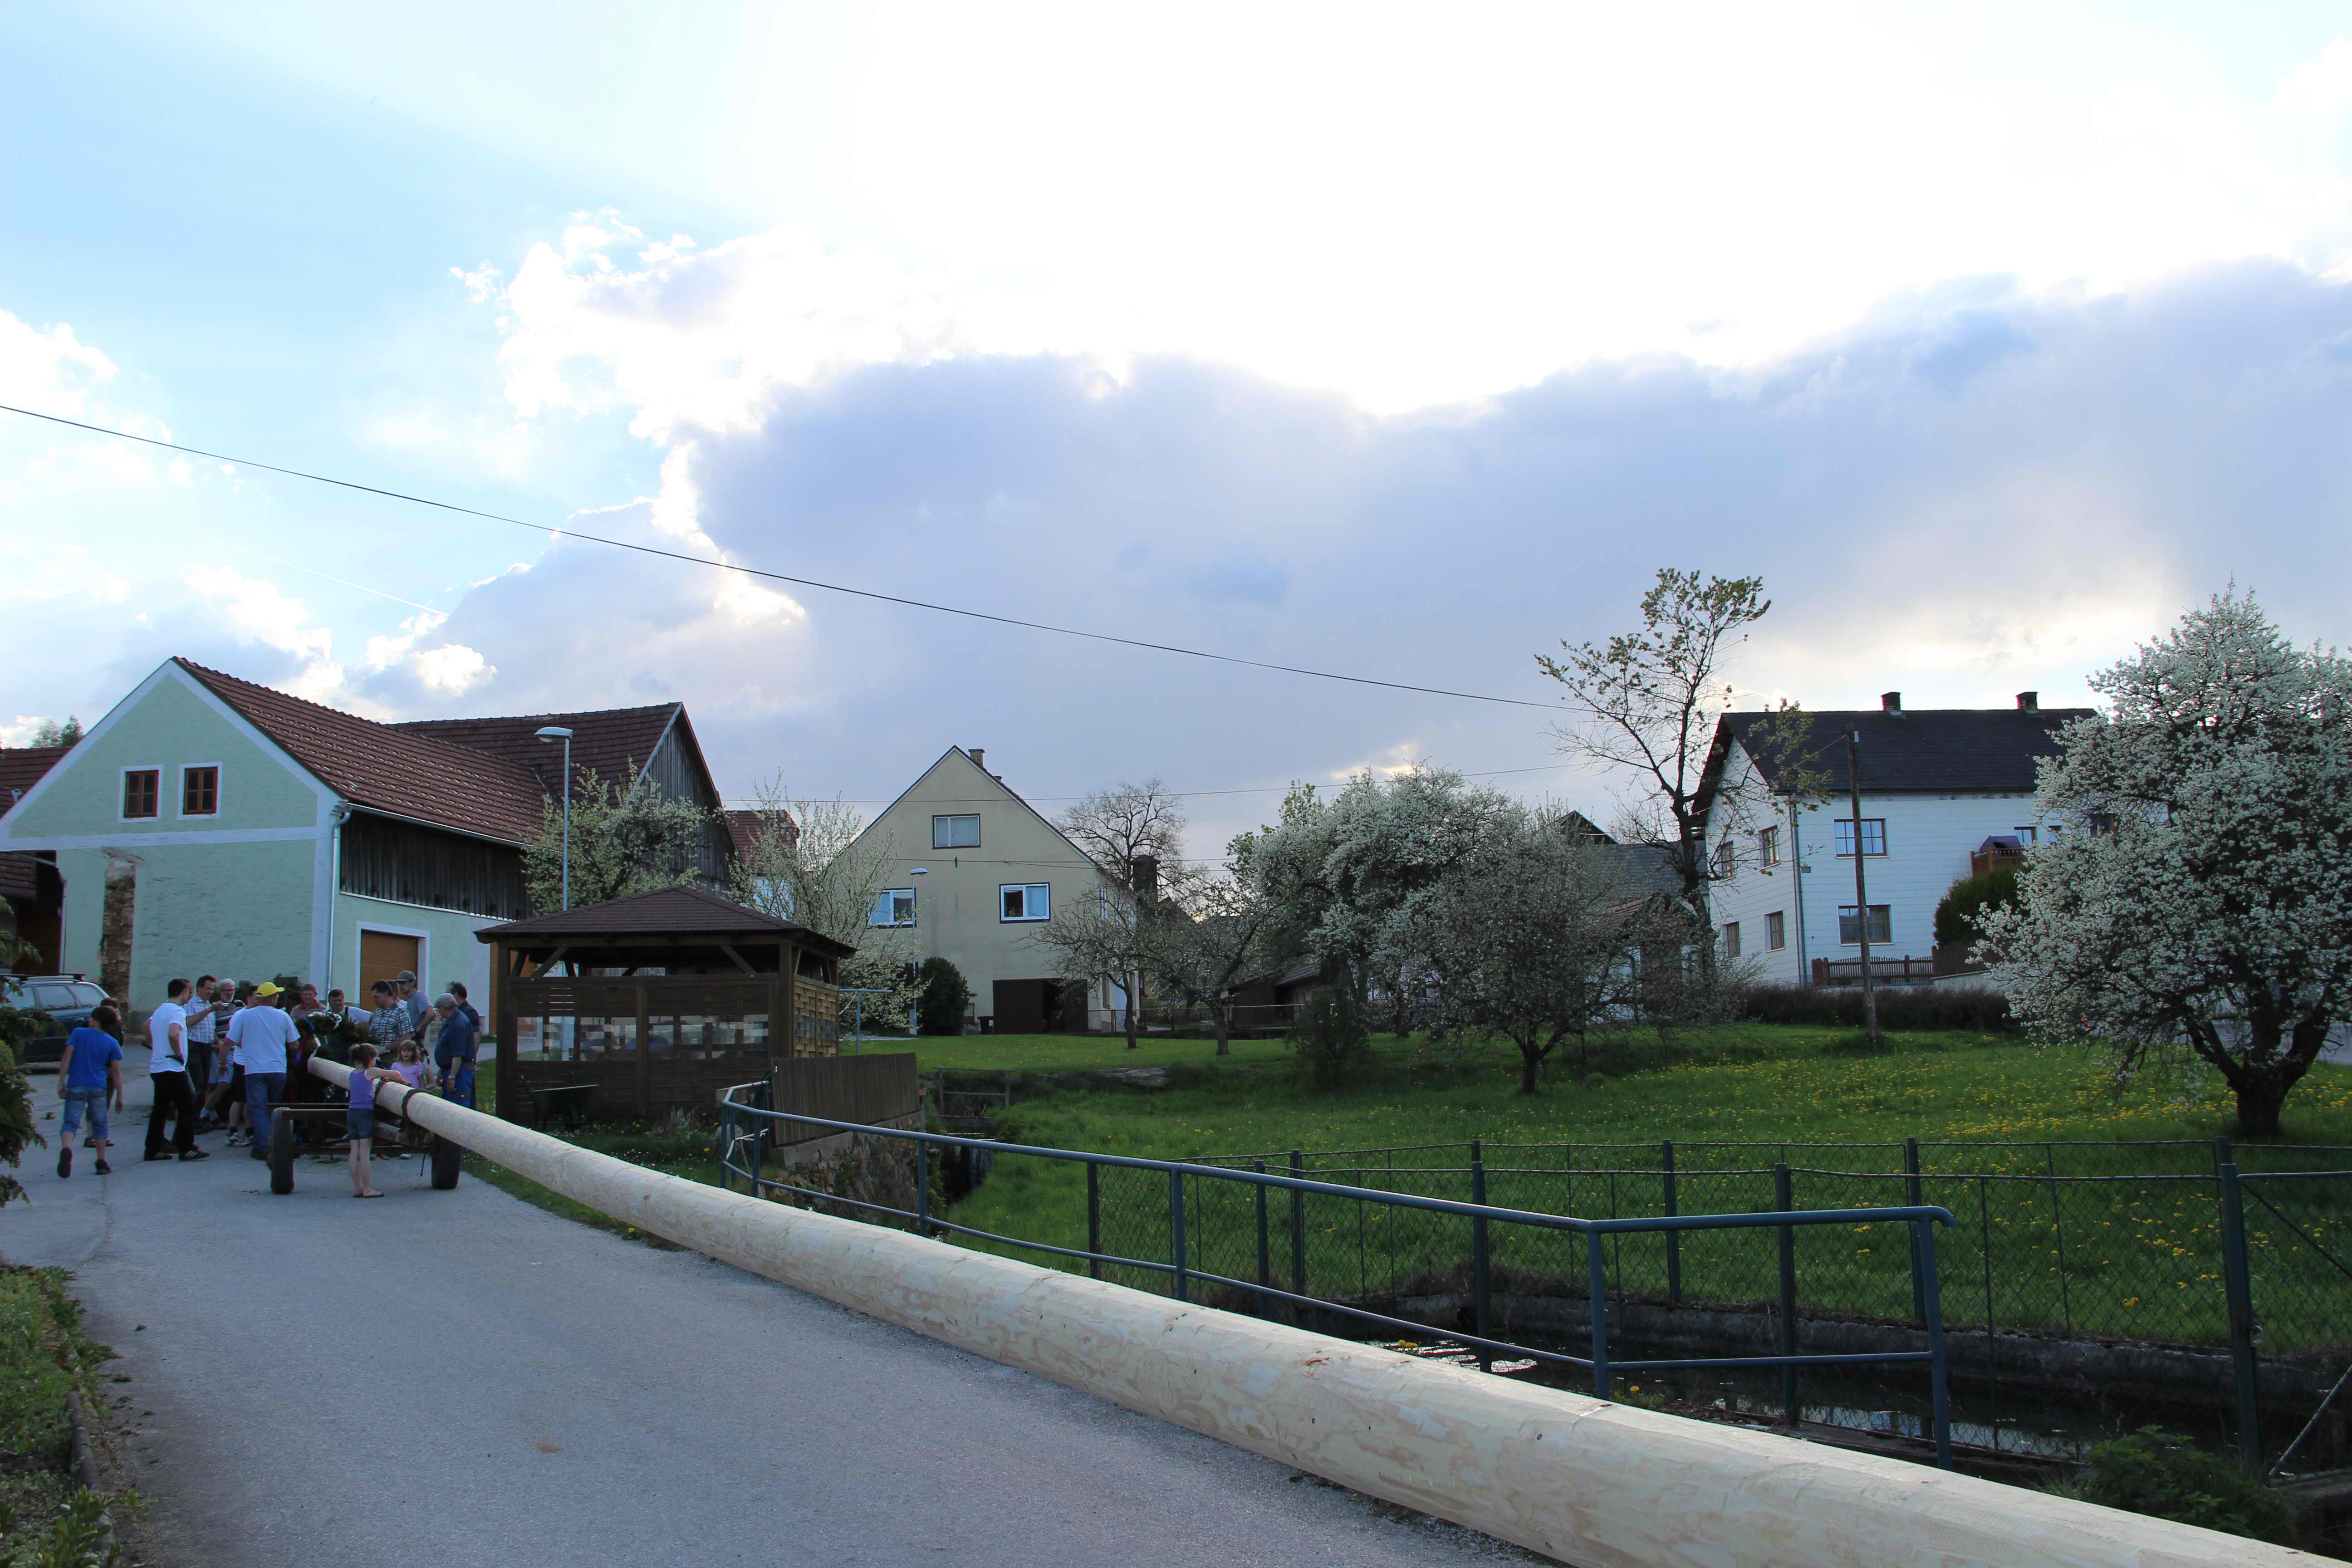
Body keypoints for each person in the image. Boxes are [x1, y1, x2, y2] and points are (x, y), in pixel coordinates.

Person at [227, 981, 299, 1161]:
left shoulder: (246, 1016)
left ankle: (263, 1146)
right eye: (277, 996)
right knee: (272, 1108)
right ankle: (273, 1142)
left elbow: (231, 1040)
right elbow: (294, 1044)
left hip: (254, 1070)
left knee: (258, 1109)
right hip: (277, 1069)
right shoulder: (283, 1017)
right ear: (273, 998)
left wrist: (222, 1062)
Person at [55, 1005, 124, 1177]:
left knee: (70, 1122)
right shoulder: (112, 1042)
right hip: (98, 1087)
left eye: (92, 1018)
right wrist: (120, 1097)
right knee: (100, 1124)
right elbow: (116, 1072)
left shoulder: (78, 1033)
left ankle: (67, 1149)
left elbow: (67, 1057)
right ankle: (101, 1162)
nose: (89, 1021)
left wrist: (61, 1083)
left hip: (77, 1084)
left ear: (97, 1021)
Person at [143, 978, 206, 1162]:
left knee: (161, 1109)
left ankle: (153, 1149)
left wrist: (156, 1045)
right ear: (183, 992)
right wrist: (178, 1053)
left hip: (158, 1067)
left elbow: (146, 1026)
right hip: (173, 1067)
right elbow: (173, 1033)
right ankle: (186, 1147)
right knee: (187, 1106)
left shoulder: (161, 1009)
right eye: (189, 992)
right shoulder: (178, 1011)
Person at [344, 1042, 404, 1199]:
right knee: (365, 1154)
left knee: (354, 1152)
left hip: (352, 1113)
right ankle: (368, 1189)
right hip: (365, 1113)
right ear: (369, 1058)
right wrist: (404, 1082)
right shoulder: (370, 1072)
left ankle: (358, 1188)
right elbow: (395, 1073)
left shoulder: (353, 1073)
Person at [432, 993, 478, 1108]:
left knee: (459, 1104)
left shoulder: (459, 1023)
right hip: (451, 1069)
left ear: (445, 1007)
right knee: (448, 1104)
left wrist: (452, 1078)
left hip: (460, 1072)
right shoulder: (451, 1021)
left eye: (439, 1008)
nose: (439, 1011)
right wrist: (442, 1071)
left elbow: (458, 1055)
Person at [184, 973, 220, 1118]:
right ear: (199, 988)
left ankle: (201, 1117)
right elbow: (189, 1022)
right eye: (207, 989)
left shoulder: (208, 1005)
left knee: (205, 1085)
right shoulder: (191, 1004)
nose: (210, 992)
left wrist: (217, 1040)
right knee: (197, 1085)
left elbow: (209, 1029)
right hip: (194, 1047)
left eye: (212, 989)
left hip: (206, 1048)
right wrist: (209, 1011)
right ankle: (193, 1119)